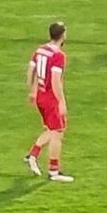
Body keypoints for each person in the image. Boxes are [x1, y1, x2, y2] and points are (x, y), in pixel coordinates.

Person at [24, 22, 74, 183]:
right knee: (57, 133)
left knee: (52, 130)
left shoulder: (40, 50)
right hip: (51, 98)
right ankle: (54, 171)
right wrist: (61, 101)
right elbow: (55, 80)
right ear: (63, 35)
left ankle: (32, 155)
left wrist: (32, 91)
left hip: (40, 96)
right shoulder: (58, 55)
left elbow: (31, 71)